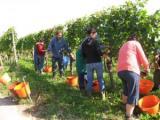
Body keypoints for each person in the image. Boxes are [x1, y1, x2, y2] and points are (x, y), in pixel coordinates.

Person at [117, 34, 150, 120]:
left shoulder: (123, 45)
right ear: (135, 39)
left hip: (120, 71)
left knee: (126, 89)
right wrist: (147, 68)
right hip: (131, 70)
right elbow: (143, 57)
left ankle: (124, 106)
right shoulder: (136, 43)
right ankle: (129, 116)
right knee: (133, 93)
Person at [81, 27, 106, 100]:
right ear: (91, 34)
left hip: (88, 63)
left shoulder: (84, 43)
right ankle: (103, 95)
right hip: (97, 62)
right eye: (95, 33)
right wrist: (104, 53)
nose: (96, 34)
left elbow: (83, 54)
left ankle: (89, 94)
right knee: (100, 79)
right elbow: (99, 53)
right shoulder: (95, 42)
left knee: (89, 79)